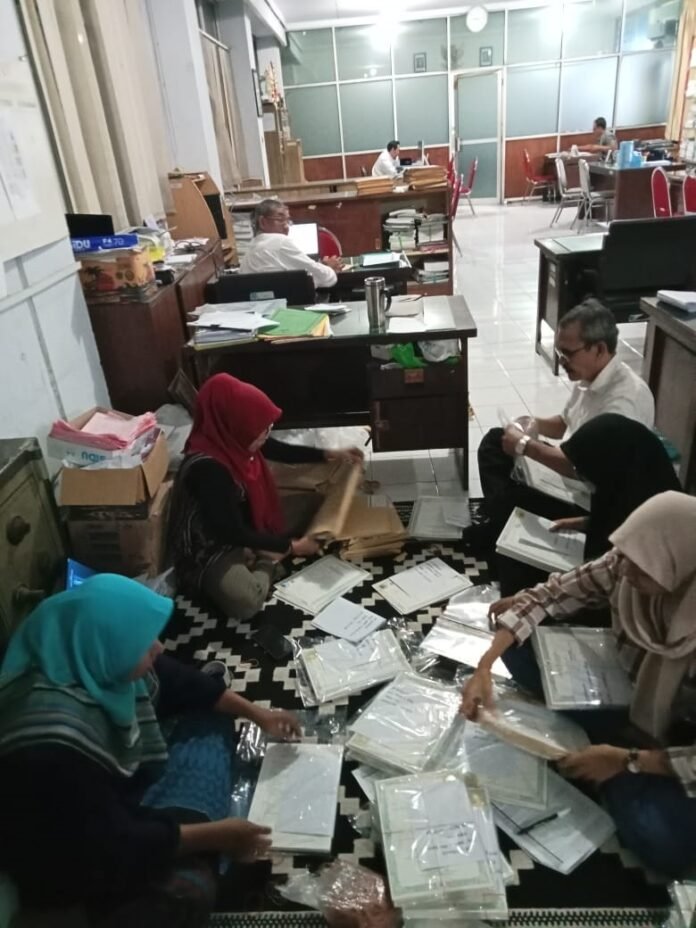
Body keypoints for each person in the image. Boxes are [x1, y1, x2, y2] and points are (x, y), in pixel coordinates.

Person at [0, 574, 301, 923]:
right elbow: (106, 846)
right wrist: (216, 836)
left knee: (208, 709)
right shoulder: (52, 751)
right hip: (73, 860)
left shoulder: (79, 655)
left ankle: (188, 824)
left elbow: (182, 682)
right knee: (190, 890)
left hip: (106, 808)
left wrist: (259, 714)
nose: (158, 647)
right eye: (144, 644)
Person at [460, 491, 696, 878]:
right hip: (629, 693)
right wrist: (484, 666)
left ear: (680, 564)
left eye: (642, 568)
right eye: (626, 558)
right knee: (517, 644)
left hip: (680, 738)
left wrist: (628, 761)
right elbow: (551, 595)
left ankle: (614, 756)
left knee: (666, 846)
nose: (626, 572)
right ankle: (614, 753)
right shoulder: (626, 563)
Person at [168, 373, 364, 621]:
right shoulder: (209, 470)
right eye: (261, 431)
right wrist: (289, 548)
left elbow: (278, 450)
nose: (265, 436)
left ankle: (263, 549)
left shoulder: (233, 439)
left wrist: (329, 454)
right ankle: (267, 562)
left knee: (314, 505)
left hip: (244, 519)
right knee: (246, 602)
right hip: (213, 545)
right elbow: (230, 532)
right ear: (235, 425)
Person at [477, 299, 655, 534]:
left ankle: (499, 525)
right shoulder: (590, 376)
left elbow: (585, 468)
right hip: (573, 476)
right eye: (559, 352)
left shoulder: (623, 401)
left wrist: (525, 446)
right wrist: (530, 423)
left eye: (568, 353)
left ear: (599, 349)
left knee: (514, 497)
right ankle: (499, 518)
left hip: (590, 501)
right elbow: (563, 423)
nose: (561, 361)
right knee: (495, 441)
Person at [553, 413, 680, 561]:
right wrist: (583, 523)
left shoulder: (658, 535)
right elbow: (618, 518)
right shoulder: (639, 486)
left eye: (583, 471)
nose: (579, 476)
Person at [240, 199, 343, 289]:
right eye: (280, 220)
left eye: (288, 221)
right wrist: (330, 268)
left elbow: (306, 272)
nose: (286, 227)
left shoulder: (251, 249)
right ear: (263, 222)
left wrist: (321, 267)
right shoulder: (279, 241)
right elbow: (325, 279)